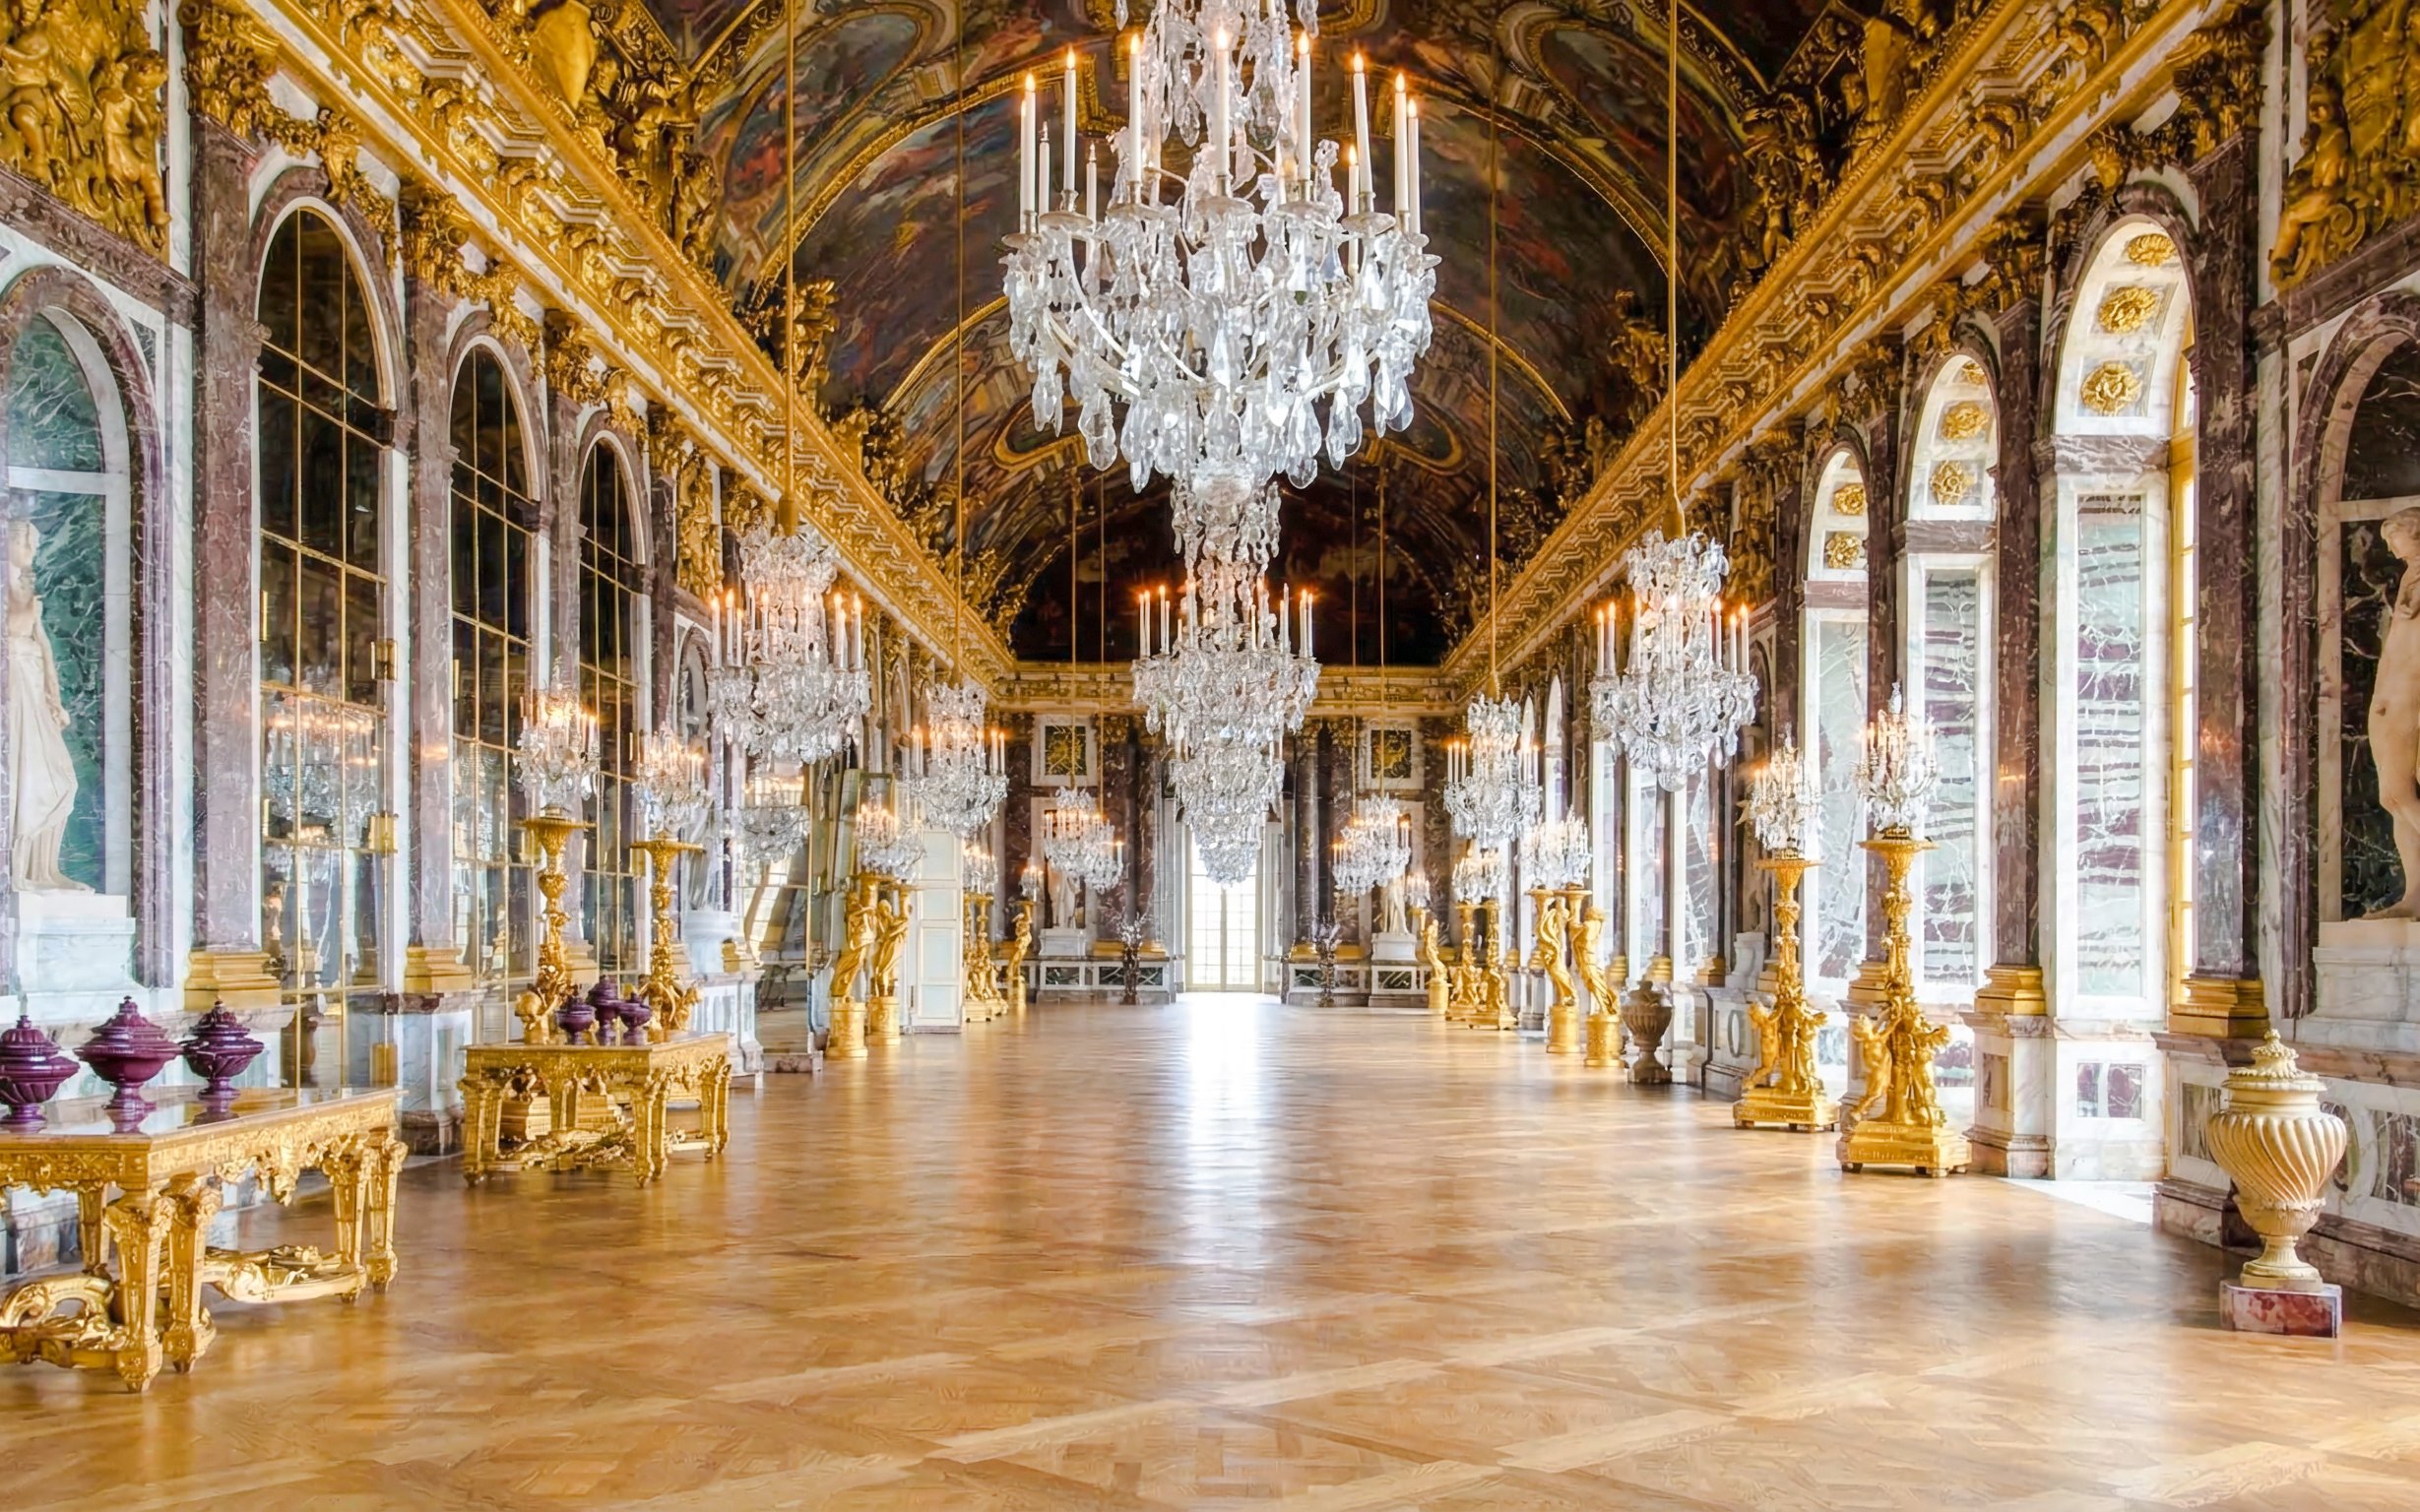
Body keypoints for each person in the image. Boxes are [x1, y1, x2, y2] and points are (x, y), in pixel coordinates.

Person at [8, 520, 84, 891]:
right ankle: (19, 871)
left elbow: (45, 648)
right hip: (14, 692)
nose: (31, 553)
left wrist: (55, 700)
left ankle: (45, 870)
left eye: (34, 546)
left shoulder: (26, 590)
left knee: (63, 780)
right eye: (27, 544)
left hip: (33, 691)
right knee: (25, 779)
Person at [2367, 507, 2420, 919]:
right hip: (2391, 699)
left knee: (2400, 792)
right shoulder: (2410, 576)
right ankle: (2414, 896)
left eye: (2393, 536)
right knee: (2391, 797)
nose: (2388, 545)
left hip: (2411, 699)